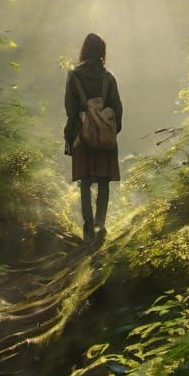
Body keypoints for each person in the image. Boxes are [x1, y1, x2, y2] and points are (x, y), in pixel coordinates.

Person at [64, 33, 123, 242]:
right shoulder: (109, 78)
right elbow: (117, 108)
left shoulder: (74, 76)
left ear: (84, 50)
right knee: (104, 182)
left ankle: (88, 229)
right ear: (102, 52)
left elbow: (70, 108)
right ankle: (100, 225)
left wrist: (76, 129)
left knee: (86, 182)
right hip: (105, 136)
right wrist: (107, 130)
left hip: (82, 134)